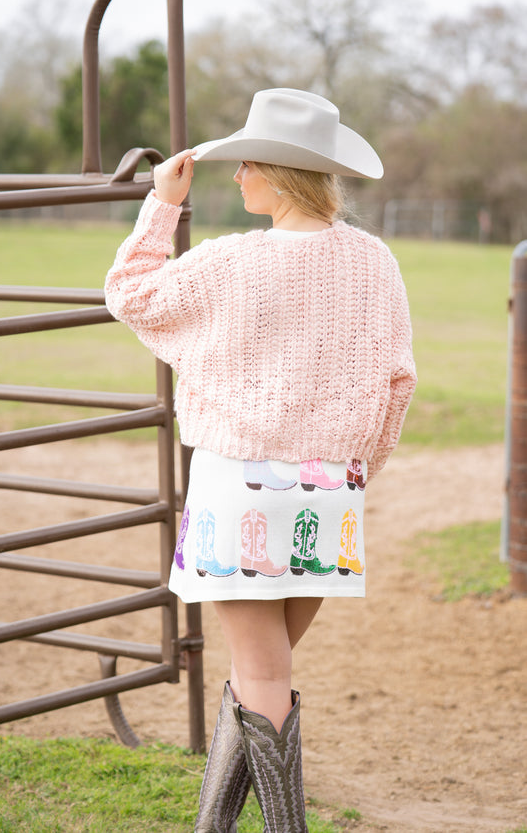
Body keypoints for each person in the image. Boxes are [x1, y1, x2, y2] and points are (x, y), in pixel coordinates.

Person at [104, 88, 417, 832]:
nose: (237, 175)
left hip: (237, 490)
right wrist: (356, 469)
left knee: (261, 674)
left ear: (278, 173)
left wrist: (162, 206)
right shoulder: (374, 262)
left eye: (246, 163)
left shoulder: (228, 262)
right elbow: (398, 380)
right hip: (328, 492)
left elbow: (129, 293)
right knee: (259, 678)